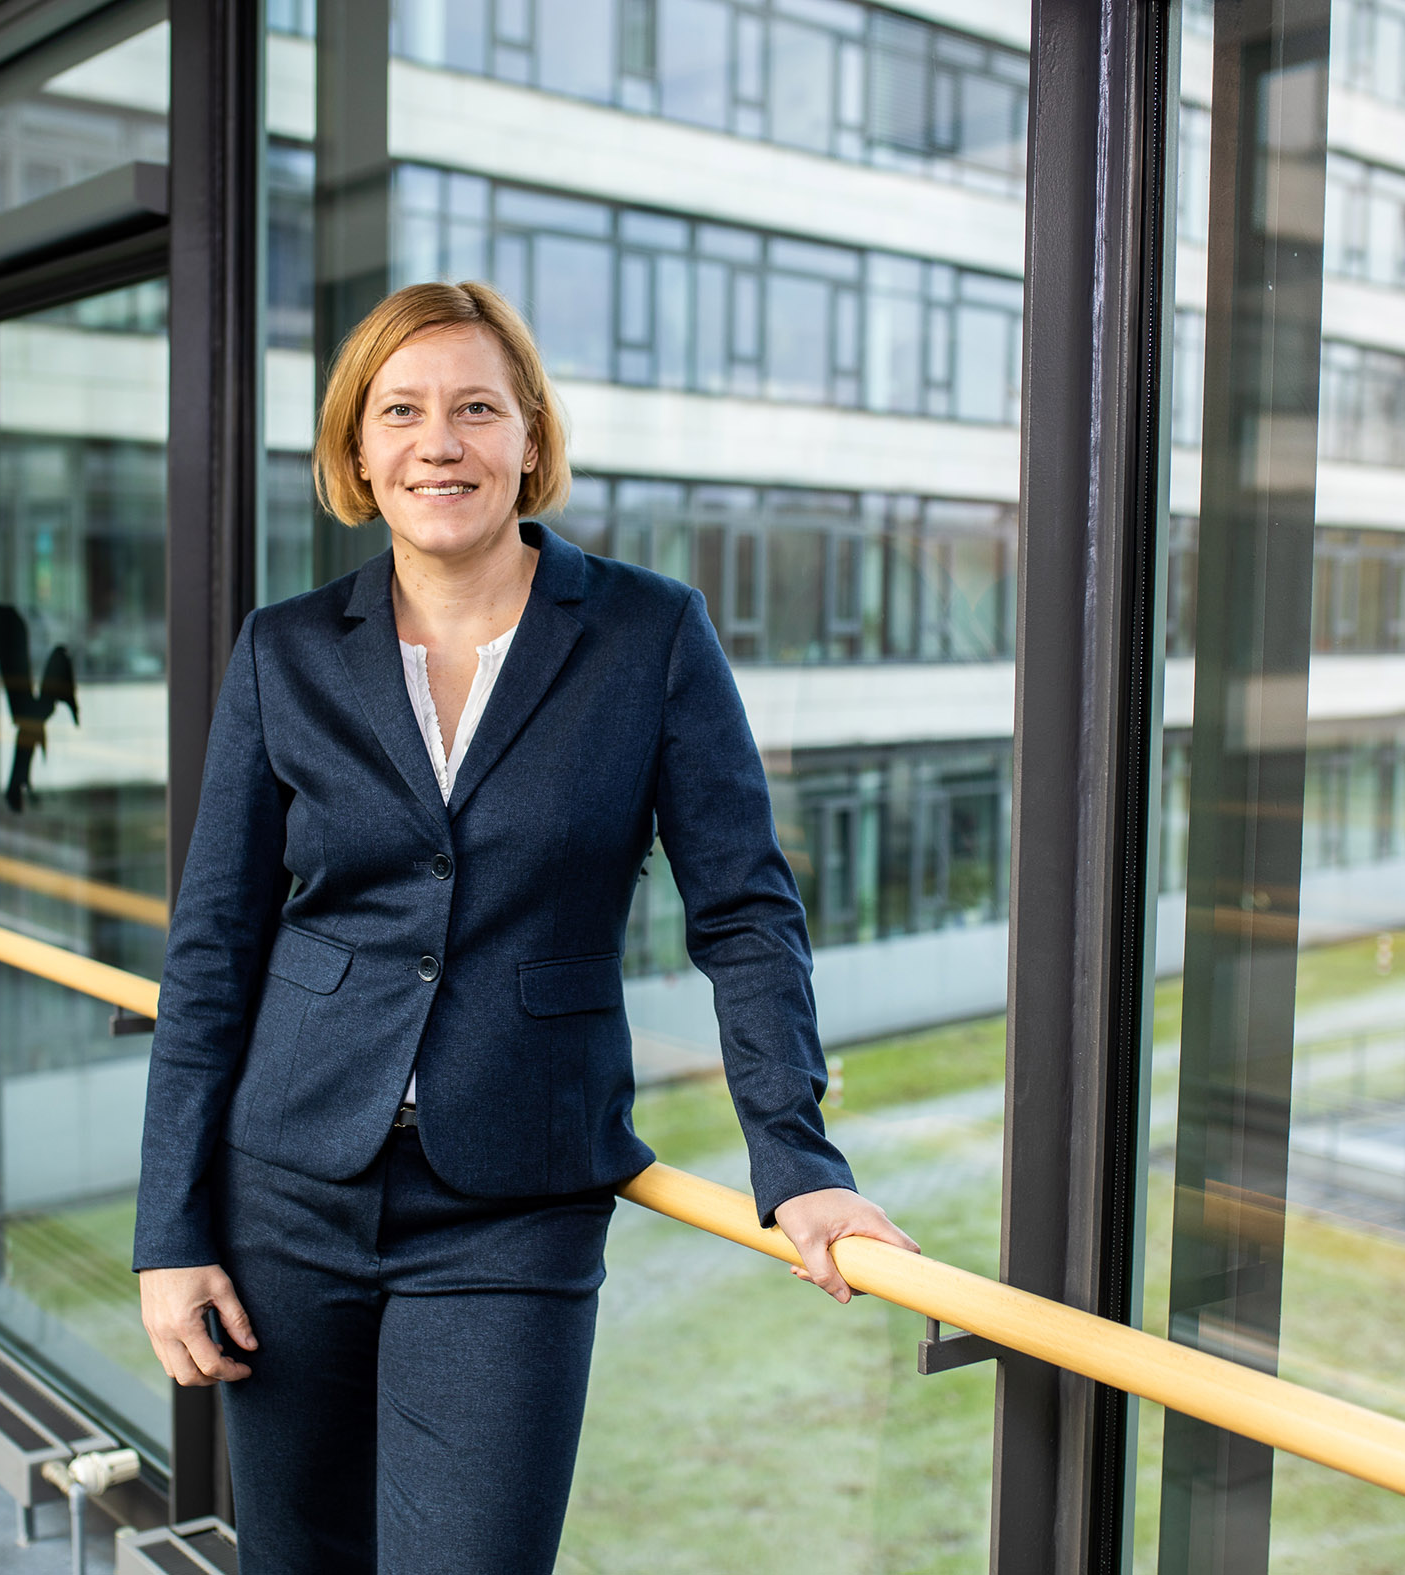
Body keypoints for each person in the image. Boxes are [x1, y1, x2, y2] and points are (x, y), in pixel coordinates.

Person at [133, 280, 916, 1573]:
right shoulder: (285, 654)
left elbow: (741, 910)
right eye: (402, 411)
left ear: (529, 441)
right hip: (287, 1190)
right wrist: (173, 1231)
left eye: (475, 408)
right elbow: (212, 950)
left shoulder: (646, 633)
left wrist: (798, 1159)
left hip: (511, 1206)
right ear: (356, 451)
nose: (438, 442)